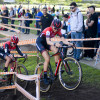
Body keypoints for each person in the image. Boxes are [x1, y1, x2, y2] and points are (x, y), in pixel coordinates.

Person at [36, 19, 74, 84]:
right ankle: (45, 77)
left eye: (57, 28)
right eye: (55, 28)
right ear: (52, 25)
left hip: (46, 43)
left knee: (57, 50)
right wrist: (55, 44)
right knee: (47, 58)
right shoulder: (48, 30)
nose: (56, 29)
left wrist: (70, 43)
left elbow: (63, 39)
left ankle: (57, 67)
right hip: (40, 43)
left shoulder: (58, 30)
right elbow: (48, 41)